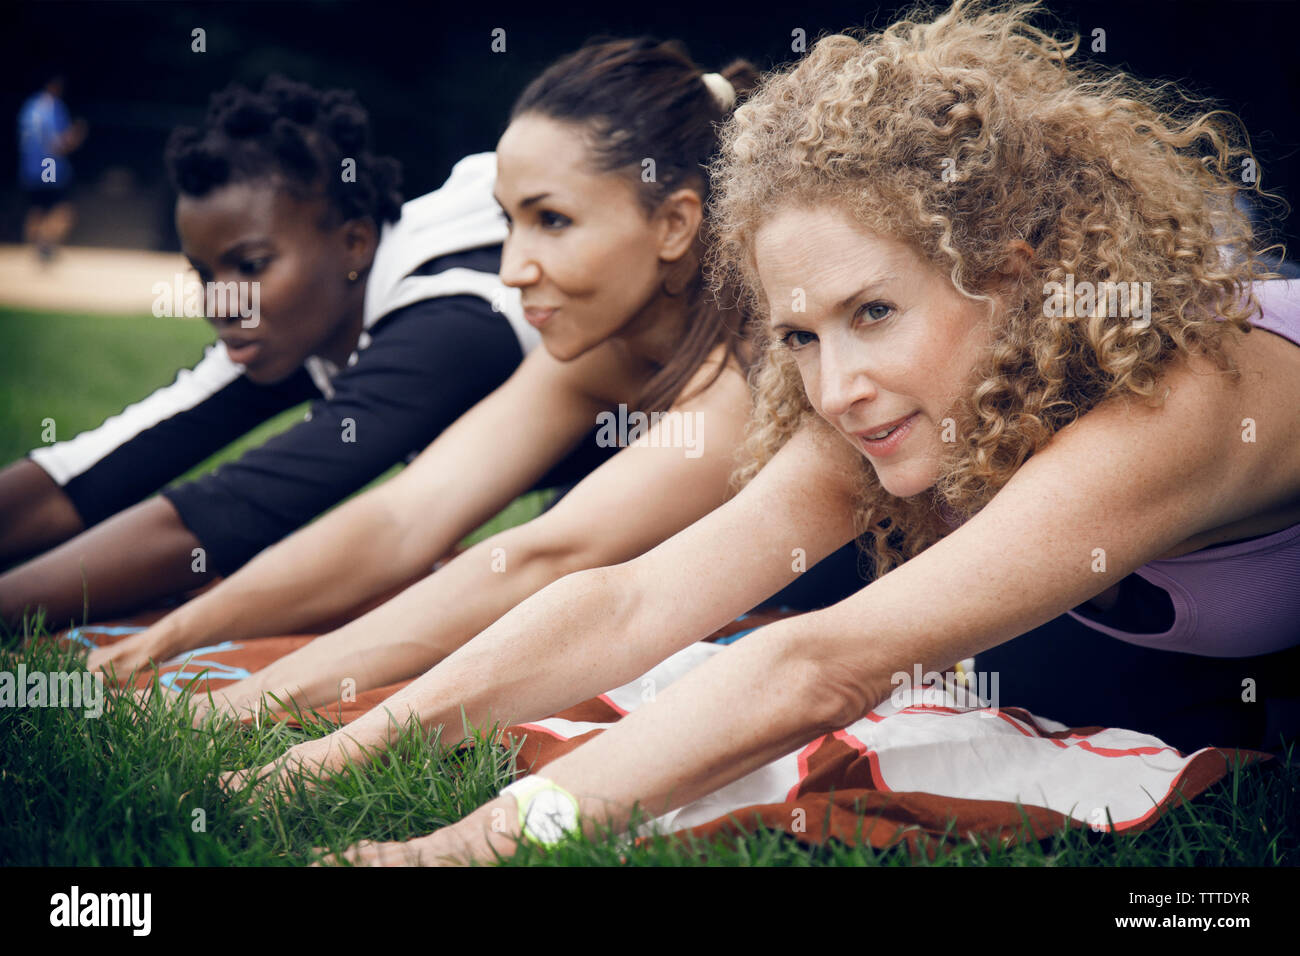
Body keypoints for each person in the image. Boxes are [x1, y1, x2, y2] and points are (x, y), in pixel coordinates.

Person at [241, 0, 1293, 865]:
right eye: (796, 332)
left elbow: (824, 664)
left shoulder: (1180, 396)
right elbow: (637, 593)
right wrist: (316, 759)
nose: (835, 386)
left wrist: (465, 847)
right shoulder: (887, 388)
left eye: (873, 311)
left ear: (1012, 271)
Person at [85, 39, 870, 706]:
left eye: (551, 220)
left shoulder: (758, 357)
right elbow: (402, 518)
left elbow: (544, 556)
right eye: (508, 220)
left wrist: (253, 699)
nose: (513, 267)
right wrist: (179, 631)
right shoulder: (609, 352)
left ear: (673, 224)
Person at [0, 75, 571, 632]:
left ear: (355, 243)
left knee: (551, 593)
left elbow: (228, 512)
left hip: (640, 453)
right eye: (204, 273)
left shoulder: (449, 322)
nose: (221, 302)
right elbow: (85, 474)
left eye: (250, 266)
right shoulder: (306, 310)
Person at [17, 73, 87, 264]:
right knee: (63, 211)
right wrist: (77, 135)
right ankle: (44, 246)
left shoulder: (29, 106)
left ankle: (35, 252)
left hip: (30, 168)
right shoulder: (54, 108)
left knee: (37, 209)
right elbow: (58, 144)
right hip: (50, 167)